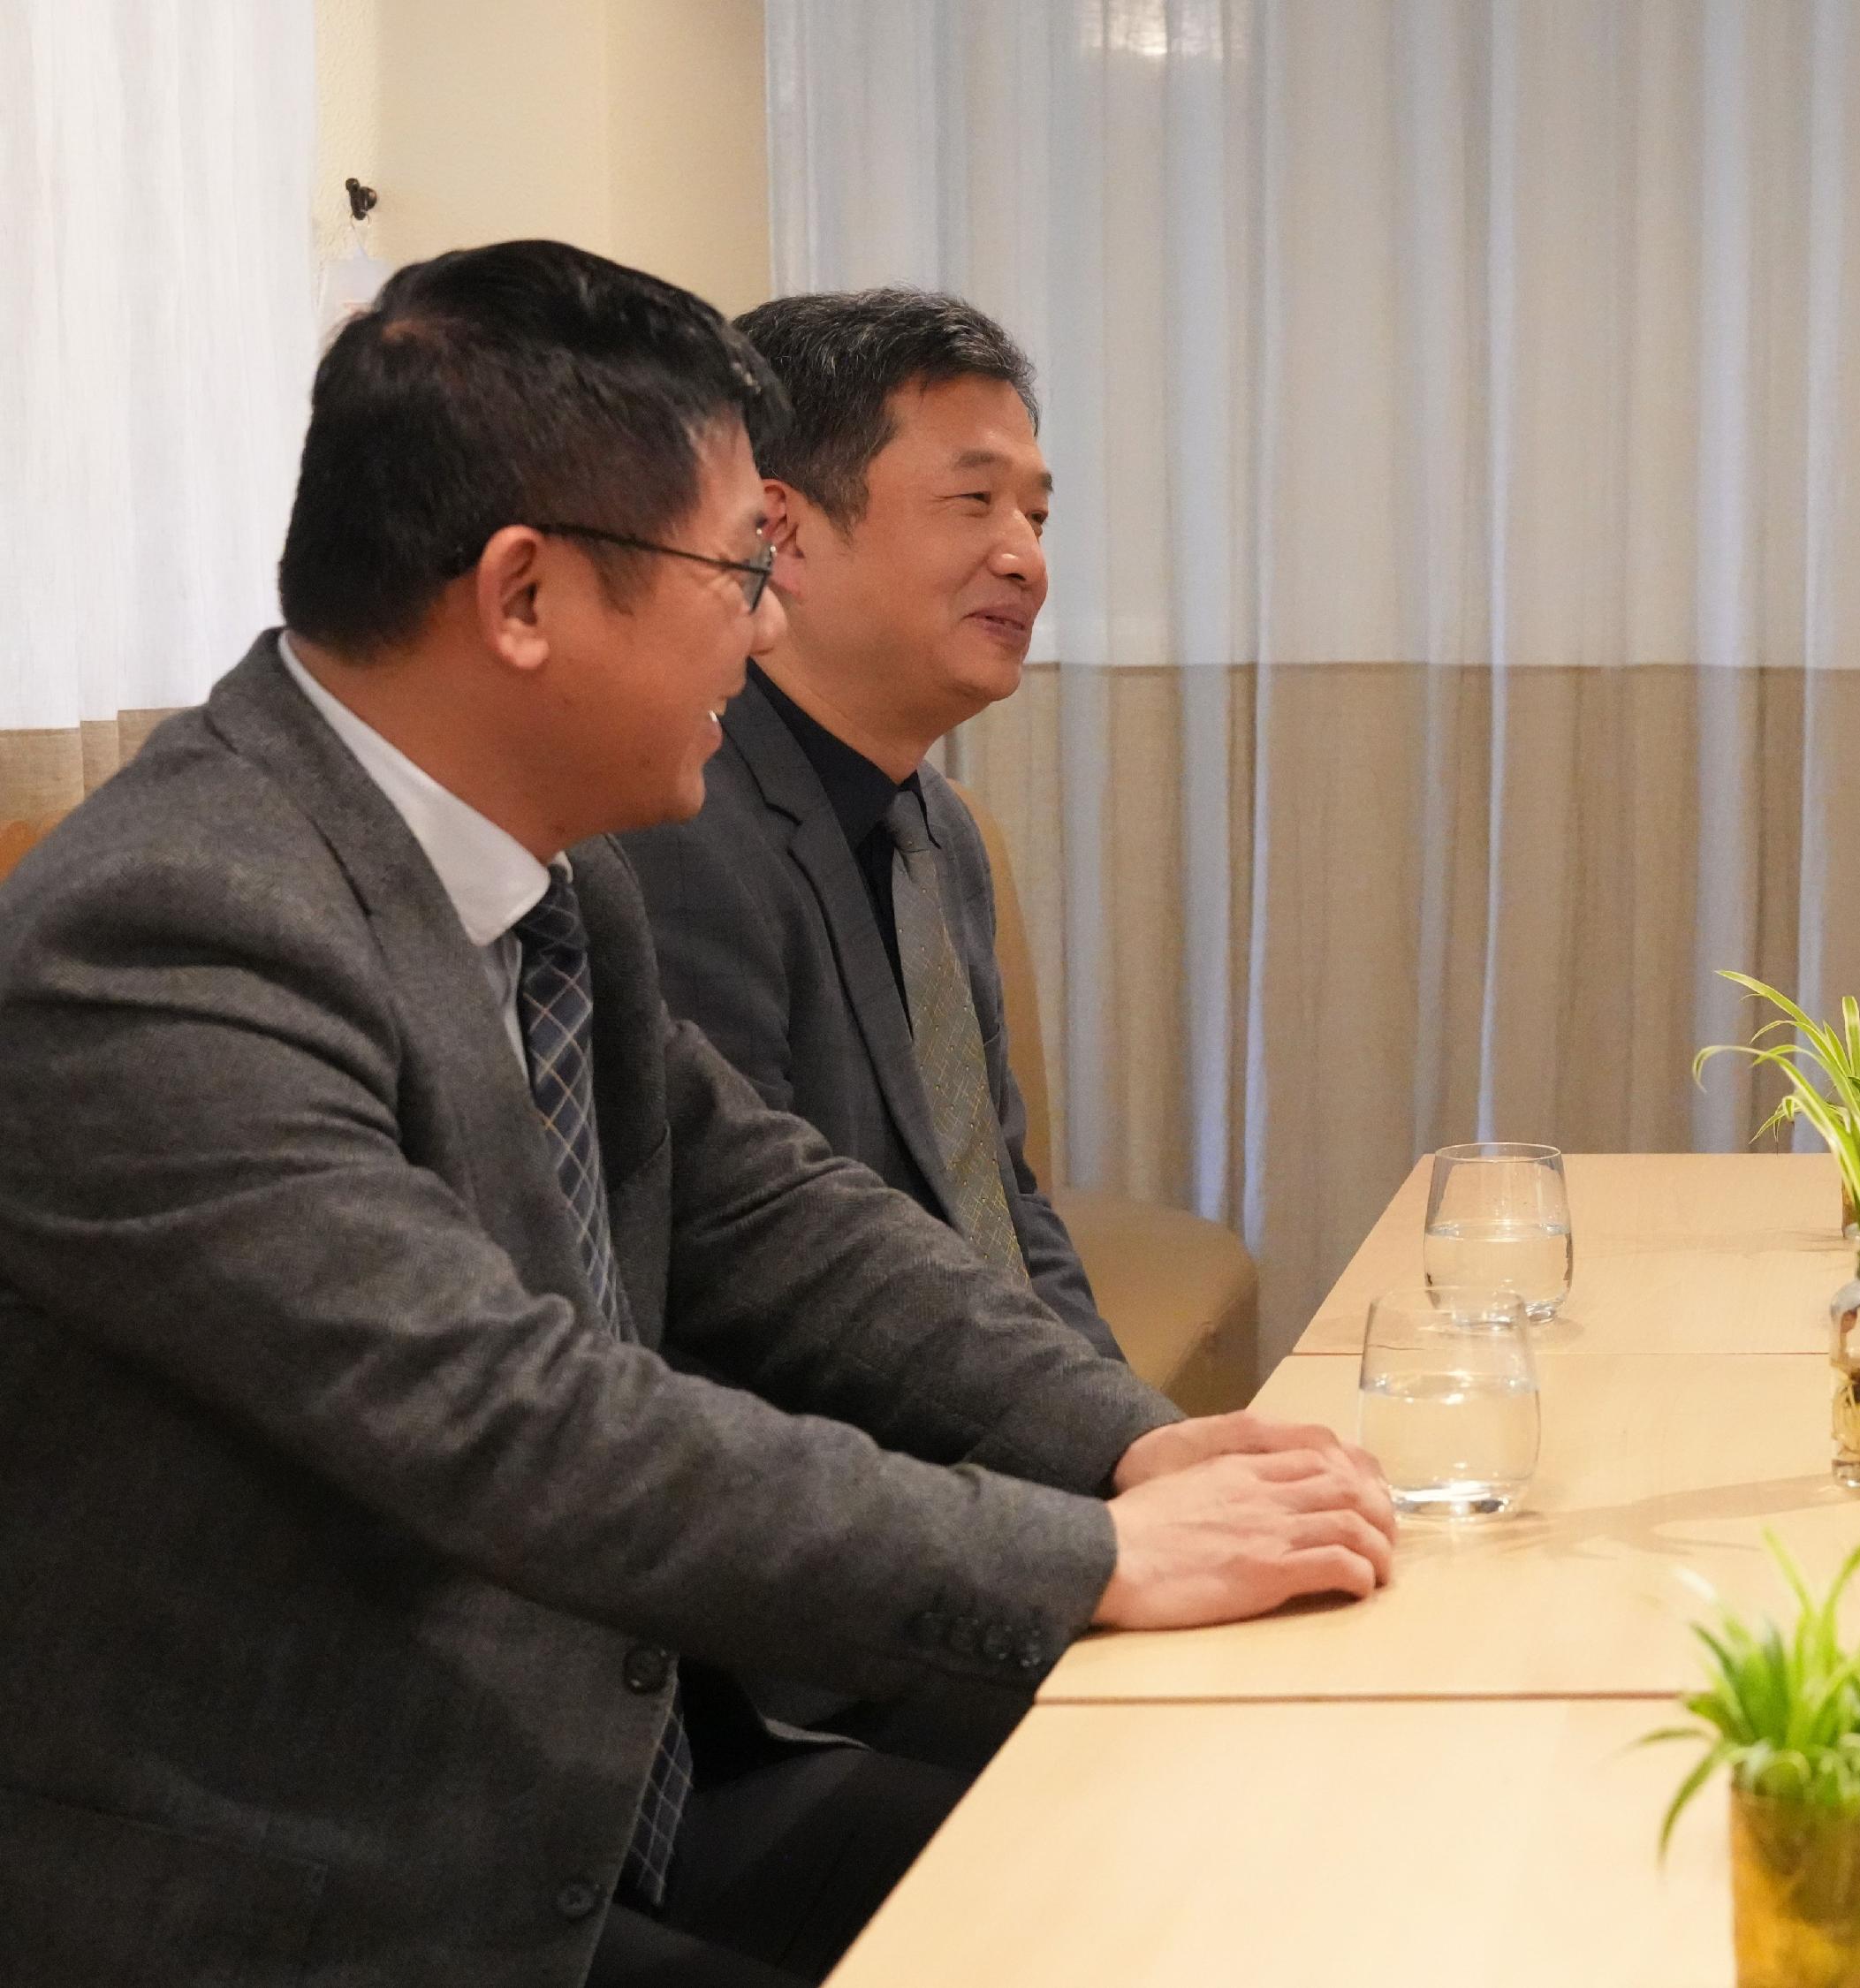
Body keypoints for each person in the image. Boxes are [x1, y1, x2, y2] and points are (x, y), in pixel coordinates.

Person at [0, 240, 1395, 1988]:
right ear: (523, 597)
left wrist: (1128, 1441)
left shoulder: (549, 877)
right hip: (331, 1887)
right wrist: (1087, 1554)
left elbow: (786, 1228)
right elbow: (527, 1427)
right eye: (738, 568)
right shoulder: (174, 934)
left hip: (597, 1791)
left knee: (1223, 1884)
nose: (765, 617)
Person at [618, 289, 1133, 1364]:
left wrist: (1130, 1438)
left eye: (1036, 518)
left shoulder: (935, 831)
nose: (1025, 559)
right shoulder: (678, 827)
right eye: (974, 502)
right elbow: (756, 1289)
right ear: (783, 534)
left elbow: (996, 1197)